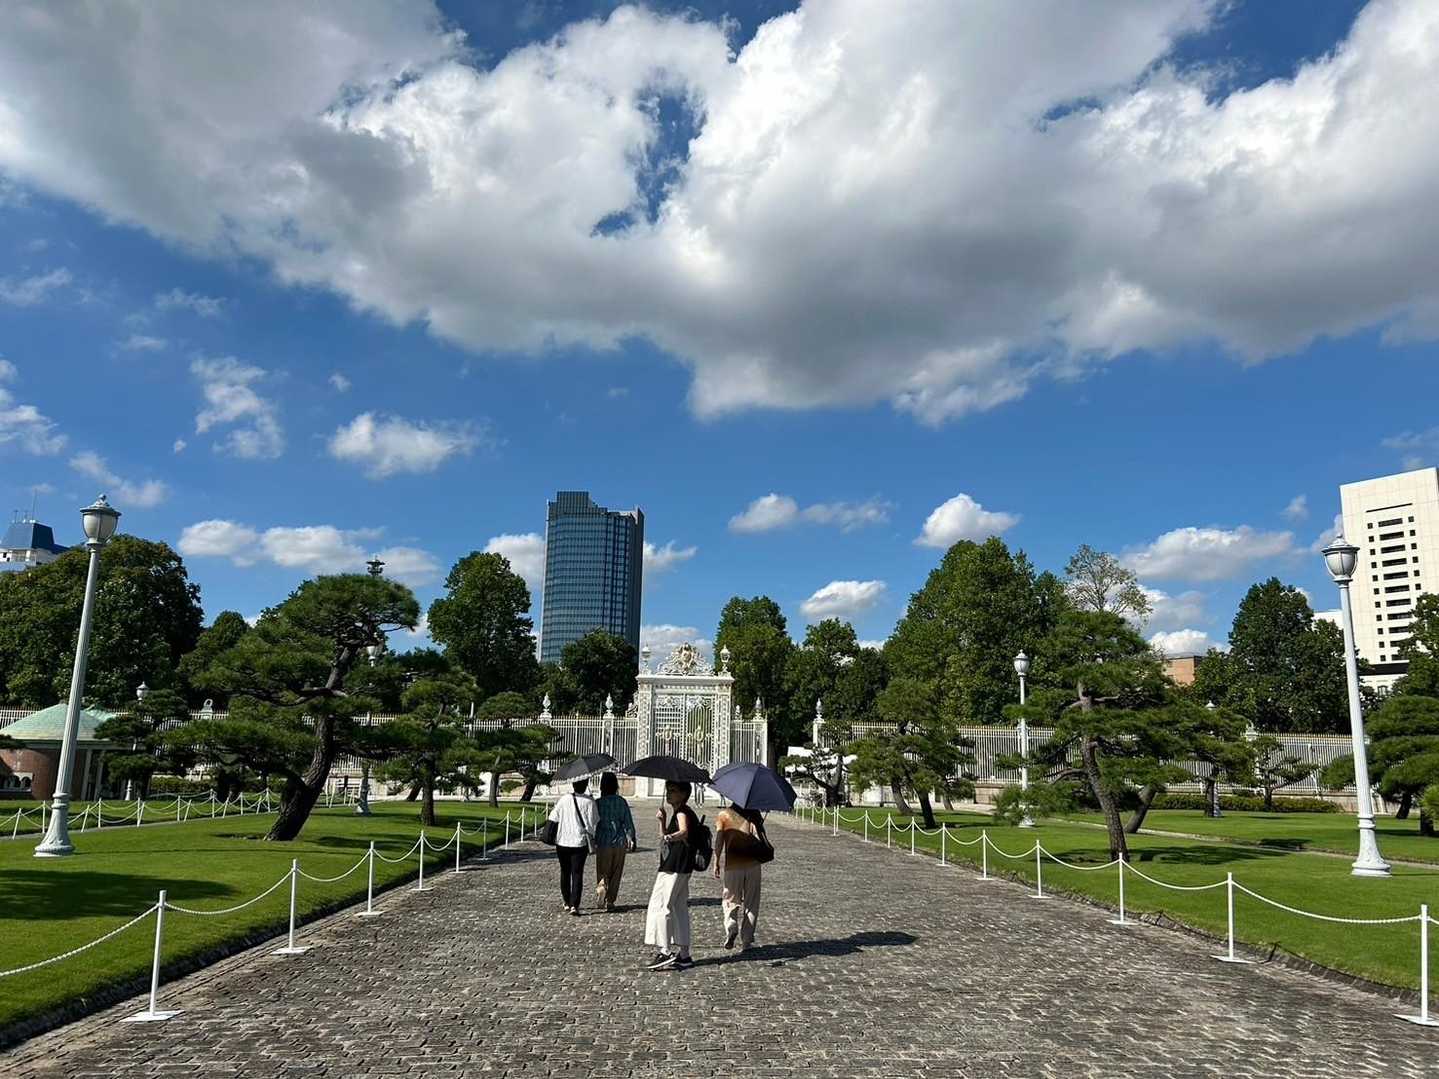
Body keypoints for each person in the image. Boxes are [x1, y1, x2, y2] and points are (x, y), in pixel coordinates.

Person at [644, 780, 698, 970]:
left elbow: (683, 832)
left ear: (683, 794)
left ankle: (665, 950)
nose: (668, 793)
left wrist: (671, 836)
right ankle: (684, 954)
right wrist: (662, 822)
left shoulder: (682, 812)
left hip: (674, 866)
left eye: (673, 790)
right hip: (680, 865)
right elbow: (664, 839)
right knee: (678, 907)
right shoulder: (679, 812)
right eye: (668, 790)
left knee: (661, 905)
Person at [714, 804, 767, 951]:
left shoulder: (724, 815)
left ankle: (731, 926)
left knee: (729, 899)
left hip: (733, 865)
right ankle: (747, 941)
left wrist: (716, 861)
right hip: (753, 865)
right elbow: (759, 837)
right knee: (751, 903)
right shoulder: (754, 814)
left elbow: (719, 840)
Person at [547, 778, 598, 916]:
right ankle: (575, 904)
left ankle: (566, 901)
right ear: (586, 785)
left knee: (565, 872)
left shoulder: (564, 799)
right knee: (577, 873)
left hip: (562, 841)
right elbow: (594, 822)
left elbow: (553, 817)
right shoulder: (589, 801)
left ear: (573, 784)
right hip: (579, 842)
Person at [593, 771, 637, 911]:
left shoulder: (598, 803)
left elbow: (593, 823)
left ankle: (601, 887)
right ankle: (610, 900)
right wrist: (631, 837)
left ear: (602, 786)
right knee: (616, 872)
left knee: (603, 870)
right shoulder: (621, 802)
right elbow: (628, 823)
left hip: (603, 842)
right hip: (619, 842)